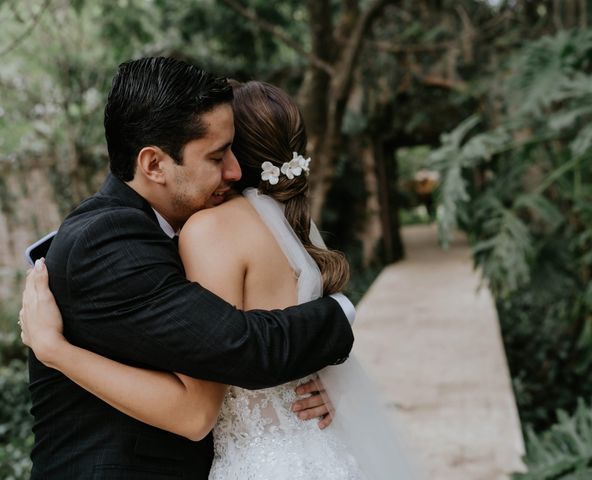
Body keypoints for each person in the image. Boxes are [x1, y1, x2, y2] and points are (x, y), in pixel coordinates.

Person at [20, 58, 357, 479]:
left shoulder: (160, 226)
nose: (234, 172)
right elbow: (234, 355)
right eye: (217, 156)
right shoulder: (108, 241)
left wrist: (306, 381)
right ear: (154, 164)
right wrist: (339, 311)